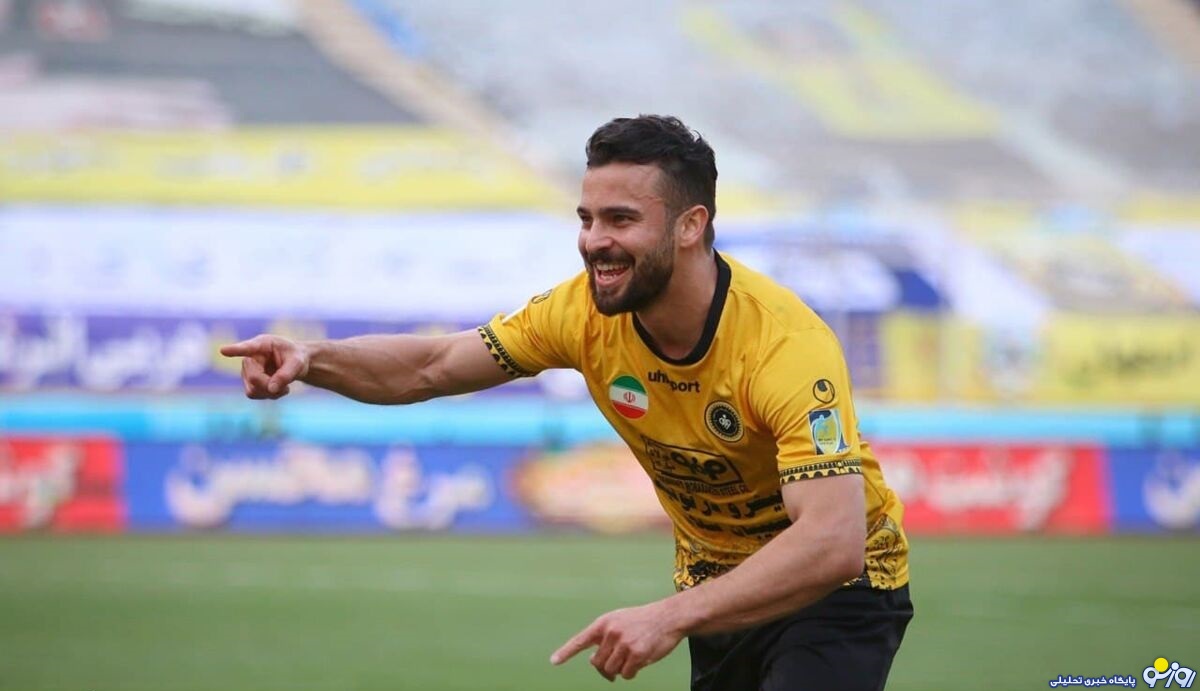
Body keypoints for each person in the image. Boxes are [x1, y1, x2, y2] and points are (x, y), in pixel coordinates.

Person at [221, 114, 912, 690]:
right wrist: (313, 359)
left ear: (690, 225)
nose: (593, 241)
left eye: (621, 219)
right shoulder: (578, 313)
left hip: (840, 593)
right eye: (586, 218)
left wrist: (668, 615)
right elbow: (433, 365)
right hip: (718, 591)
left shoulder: (784, 345)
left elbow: (832, 543)